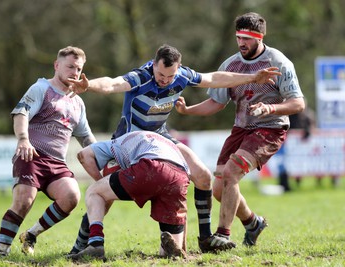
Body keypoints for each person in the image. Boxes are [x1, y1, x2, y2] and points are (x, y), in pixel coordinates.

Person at [67, 44, 281, 253]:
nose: (165, 80)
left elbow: (214, 78)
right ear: (154, 65)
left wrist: (253, 77)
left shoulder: (182, 75)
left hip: (161, 138)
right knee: (105, 197)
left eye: (170, 76)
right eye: (161, 75)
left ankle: (205, 238)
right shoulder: (141, 76)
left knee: (203, 176)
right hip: (131, 142)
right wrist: (89, 86)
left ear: (177, 69)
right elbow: (112, 84)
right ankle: (80, 245)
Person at [175, 12, 305, 250]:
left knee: (232, 173)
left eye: (247, 38)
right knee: (218, 189)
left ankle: (223, 235)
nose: (241, 43)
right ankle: (252, 222)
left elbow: (298, 104)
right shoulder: (231, 65)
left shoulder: (279, 62)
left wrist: (270, 108)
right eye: (238, 37)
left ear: (259, 37)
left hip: (270, 128)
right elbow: (216, 103)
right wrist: (187, 111)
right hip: (240, 130)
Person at [0, 46, 97, 256]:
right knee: (24, 201)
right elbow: (21, 114)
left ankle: (31, 234)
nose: (74, 73)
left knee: (71, 197)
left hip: (56, 163)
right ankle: (1, 254)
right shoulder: (41, 88)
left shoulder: (78, 103)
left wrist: (103, 157)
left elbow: (86, 136)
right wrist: (23, 139)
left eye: (78, 69)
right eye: (70, 66)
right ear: (56, 65)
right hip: (31, 155)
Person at [67, 131, 199, 261]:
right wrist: (183, 245)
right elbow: (182, 211)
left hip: (151, 167)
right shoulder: (160, 140)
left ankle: (95, 243)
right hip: (180, 176)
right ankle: (176, 250)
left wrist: (100, 183)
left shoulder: (116, 142)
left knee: (94, 192)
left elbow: (83, 155)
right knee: (166, 252)